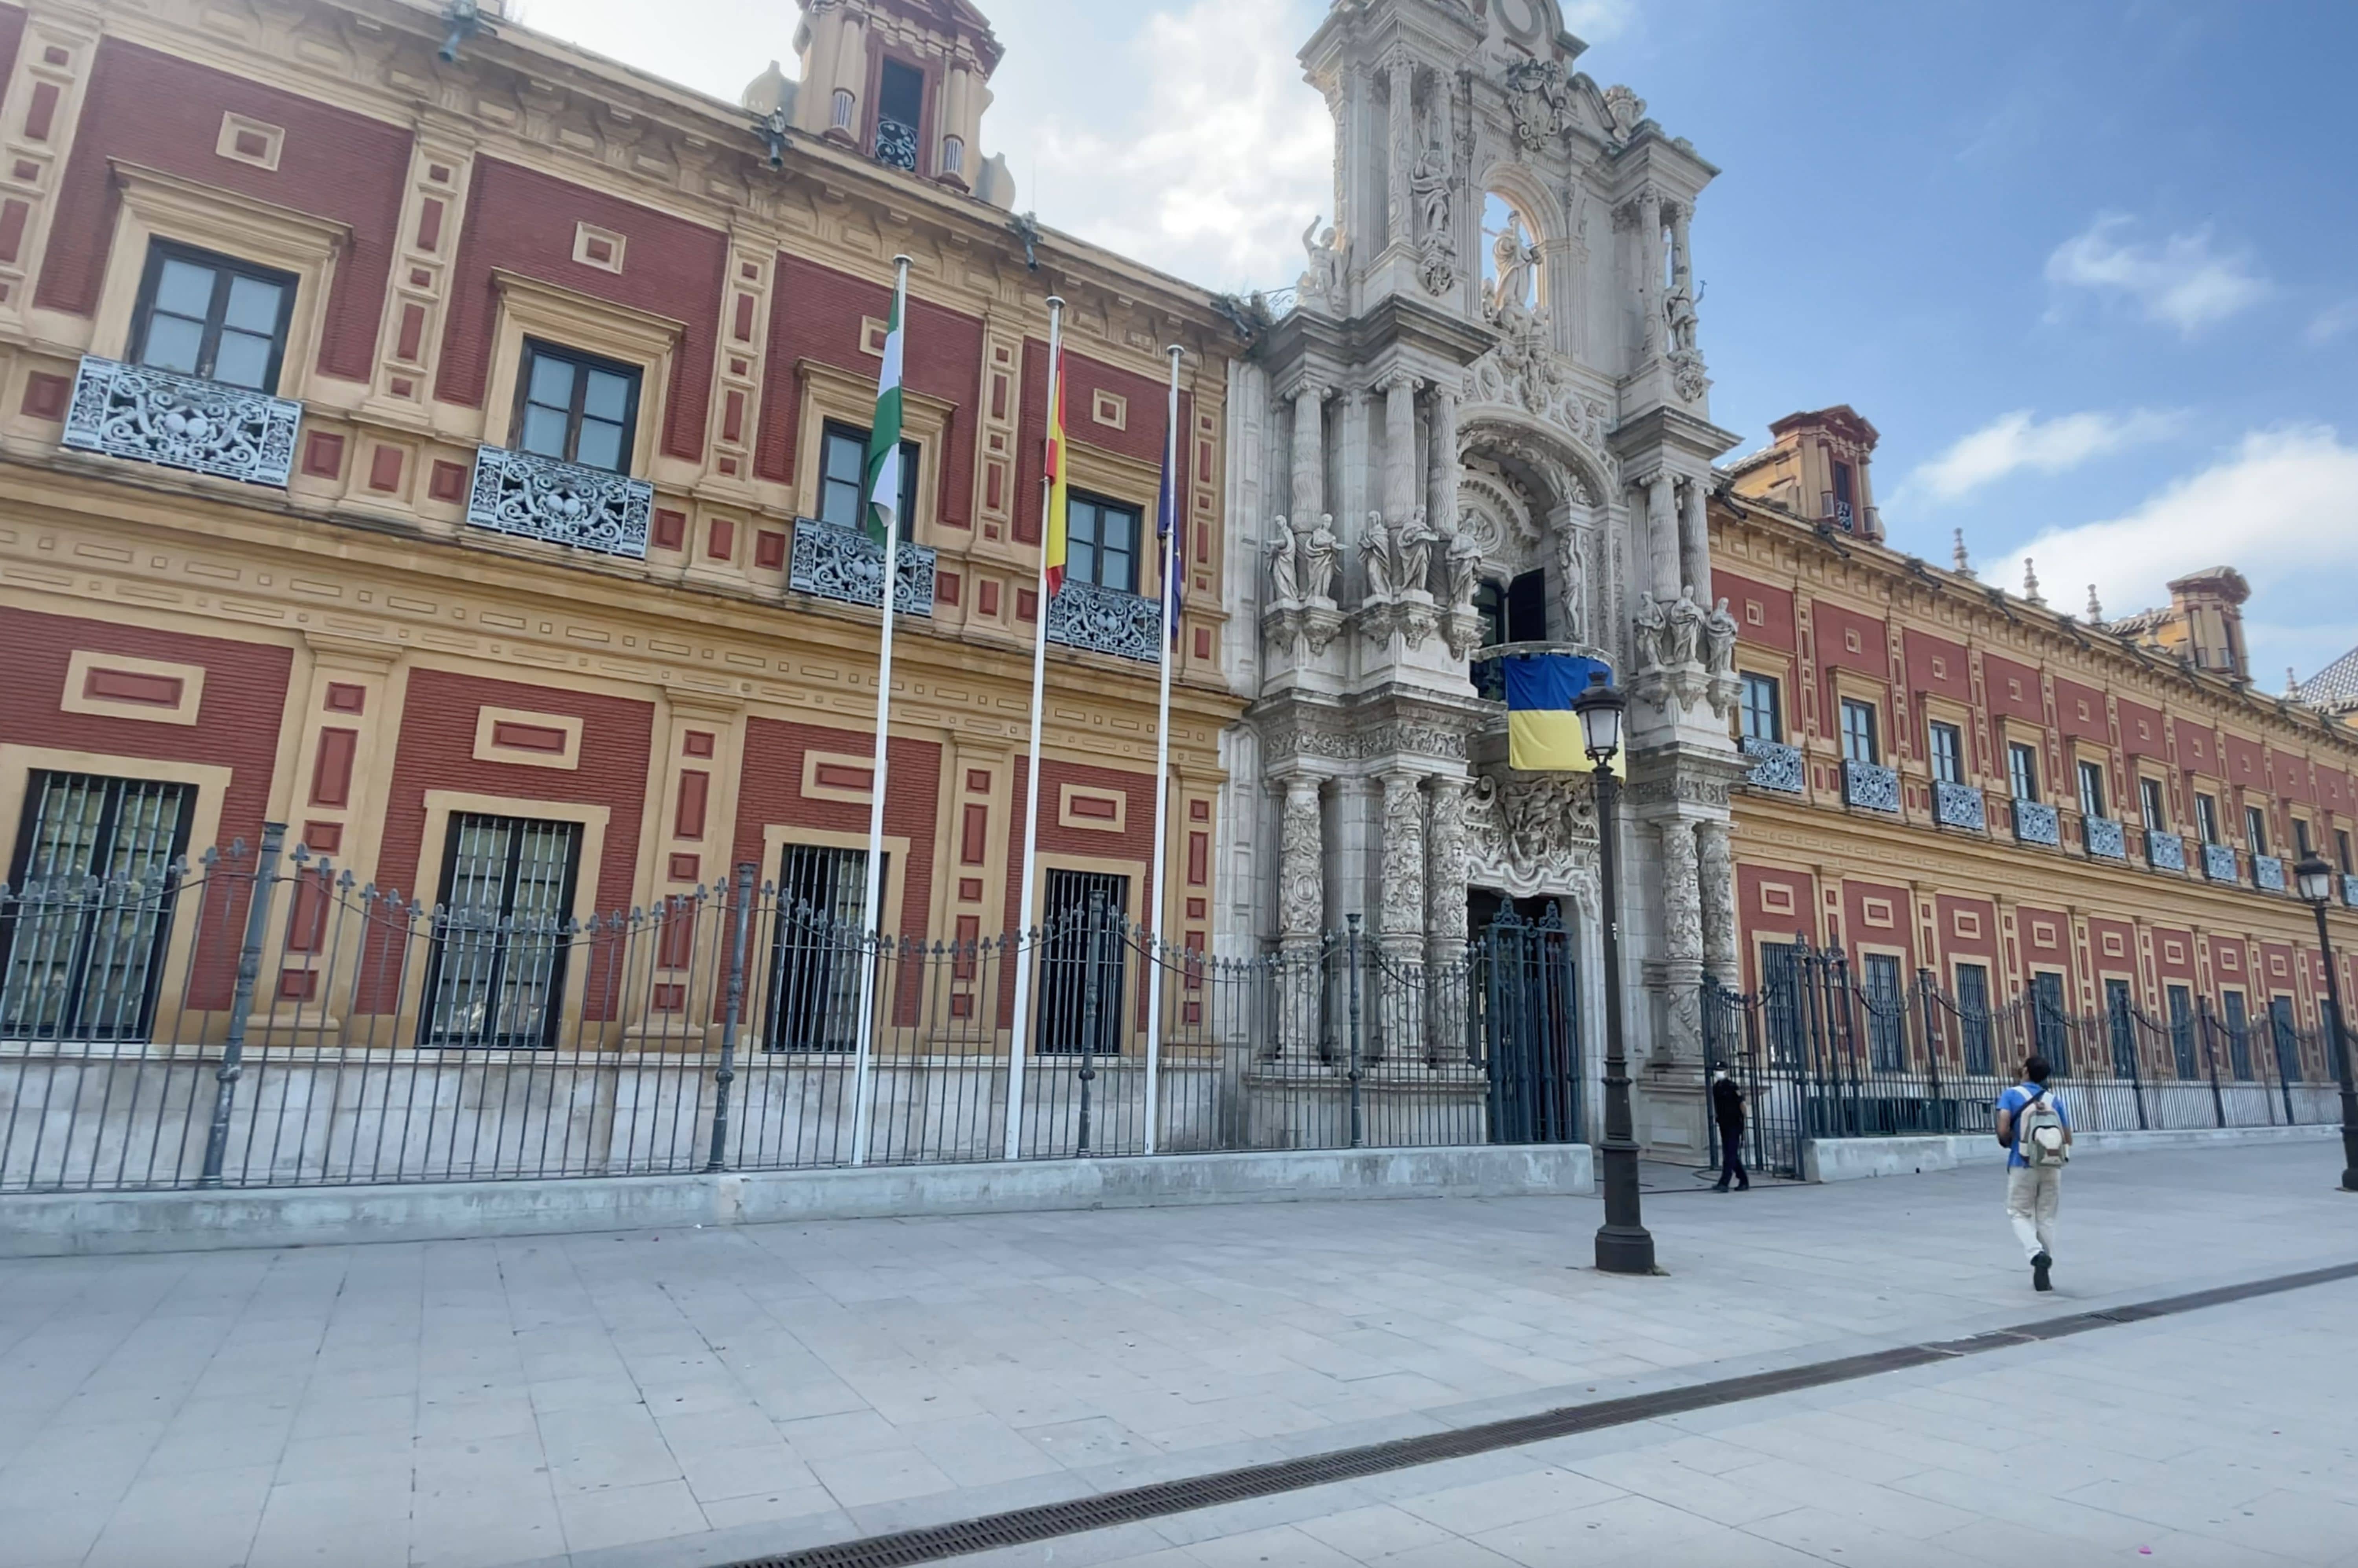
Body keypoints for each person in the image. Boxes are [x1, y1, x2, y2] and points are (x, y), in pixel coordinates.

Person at [1994, 1054, 2072, 1291]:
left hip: (2023, 1163)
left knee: (2018, 1213)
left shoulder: (2011, 1095)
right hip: (2052, 1165)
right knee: (2046, 1218)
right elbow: (2067, 1137)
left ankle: (2037, 1253)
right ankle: (2044, 1273)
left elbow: (2003, 1130)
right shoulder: (2053, 1099)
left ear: (2026, 1071)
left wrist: (2010, 1142)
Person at [1710, 1068, 1748, 1192]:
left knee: (1730, 1154)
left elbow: (1742, 1103)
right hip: (1724, 1124)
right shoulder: (1716, 1087)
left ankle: (1724, 1182)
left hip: (1734, 1124)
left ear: (1726, 1072)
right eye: (1716, 1070)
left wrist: (1743, 1120)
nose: (1718, 1073)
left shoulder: (1732, 1086)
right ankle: (1743, 1180)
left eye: (1720, 1070)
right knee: (1731, 1153)